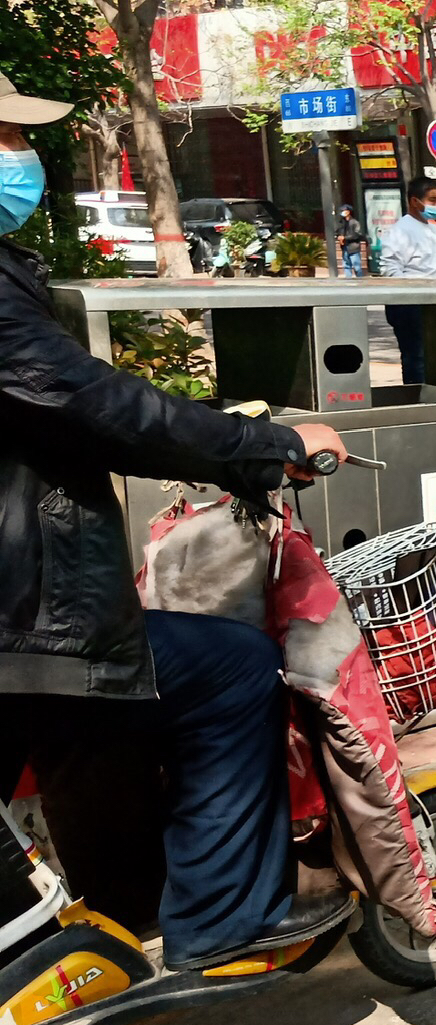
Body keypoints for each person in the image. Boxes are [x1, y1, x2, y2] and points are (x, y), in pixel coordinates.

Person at [0, 75, 353, 969]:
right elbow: (102, 407)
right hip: (24, 613)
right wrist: (267, 444)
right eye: (6, 138)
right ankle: (224, 919)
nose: (23, 159)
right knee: (231, 669)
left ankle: (121, 901)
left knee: (83, 716)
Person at [379, 175, 436, 384]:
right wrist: (410, 292)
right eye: (432, 200)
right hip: (411, 303)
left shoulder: (435, 230)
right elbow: (390, 268)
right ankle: (416, 397)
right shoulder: (399, 231)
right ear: (414, 201)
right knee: (415, 357)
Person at [335, 202, 368, 277]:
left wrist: (345, 238)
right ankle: (348, 281)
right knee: (346, 266)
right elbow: (337, 232)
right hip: (344, 247)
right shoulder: (341, 223)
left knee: (357, 267)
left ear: (348, 211)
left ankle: (360, 280)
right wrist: (339, 237)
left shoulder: (355, 223)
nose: (342, 212)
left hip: (354, 247)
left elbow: (357, 235)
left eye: (344, 210)